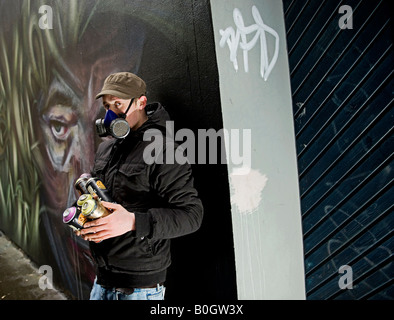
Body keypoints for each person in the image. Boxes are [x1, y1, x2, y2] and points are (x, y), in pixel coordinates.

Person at [76, 72, 204, 300]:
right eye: (107, 106)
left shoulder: (164, 150)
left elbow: (192, 215)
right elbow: (107, 204)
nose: (111, 114)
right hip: (102, 280)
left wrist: (134, 221)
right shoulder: (107, 149)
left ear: (141, 102)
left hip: (139, 288)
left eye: (118, 104)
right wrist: (87, 214)